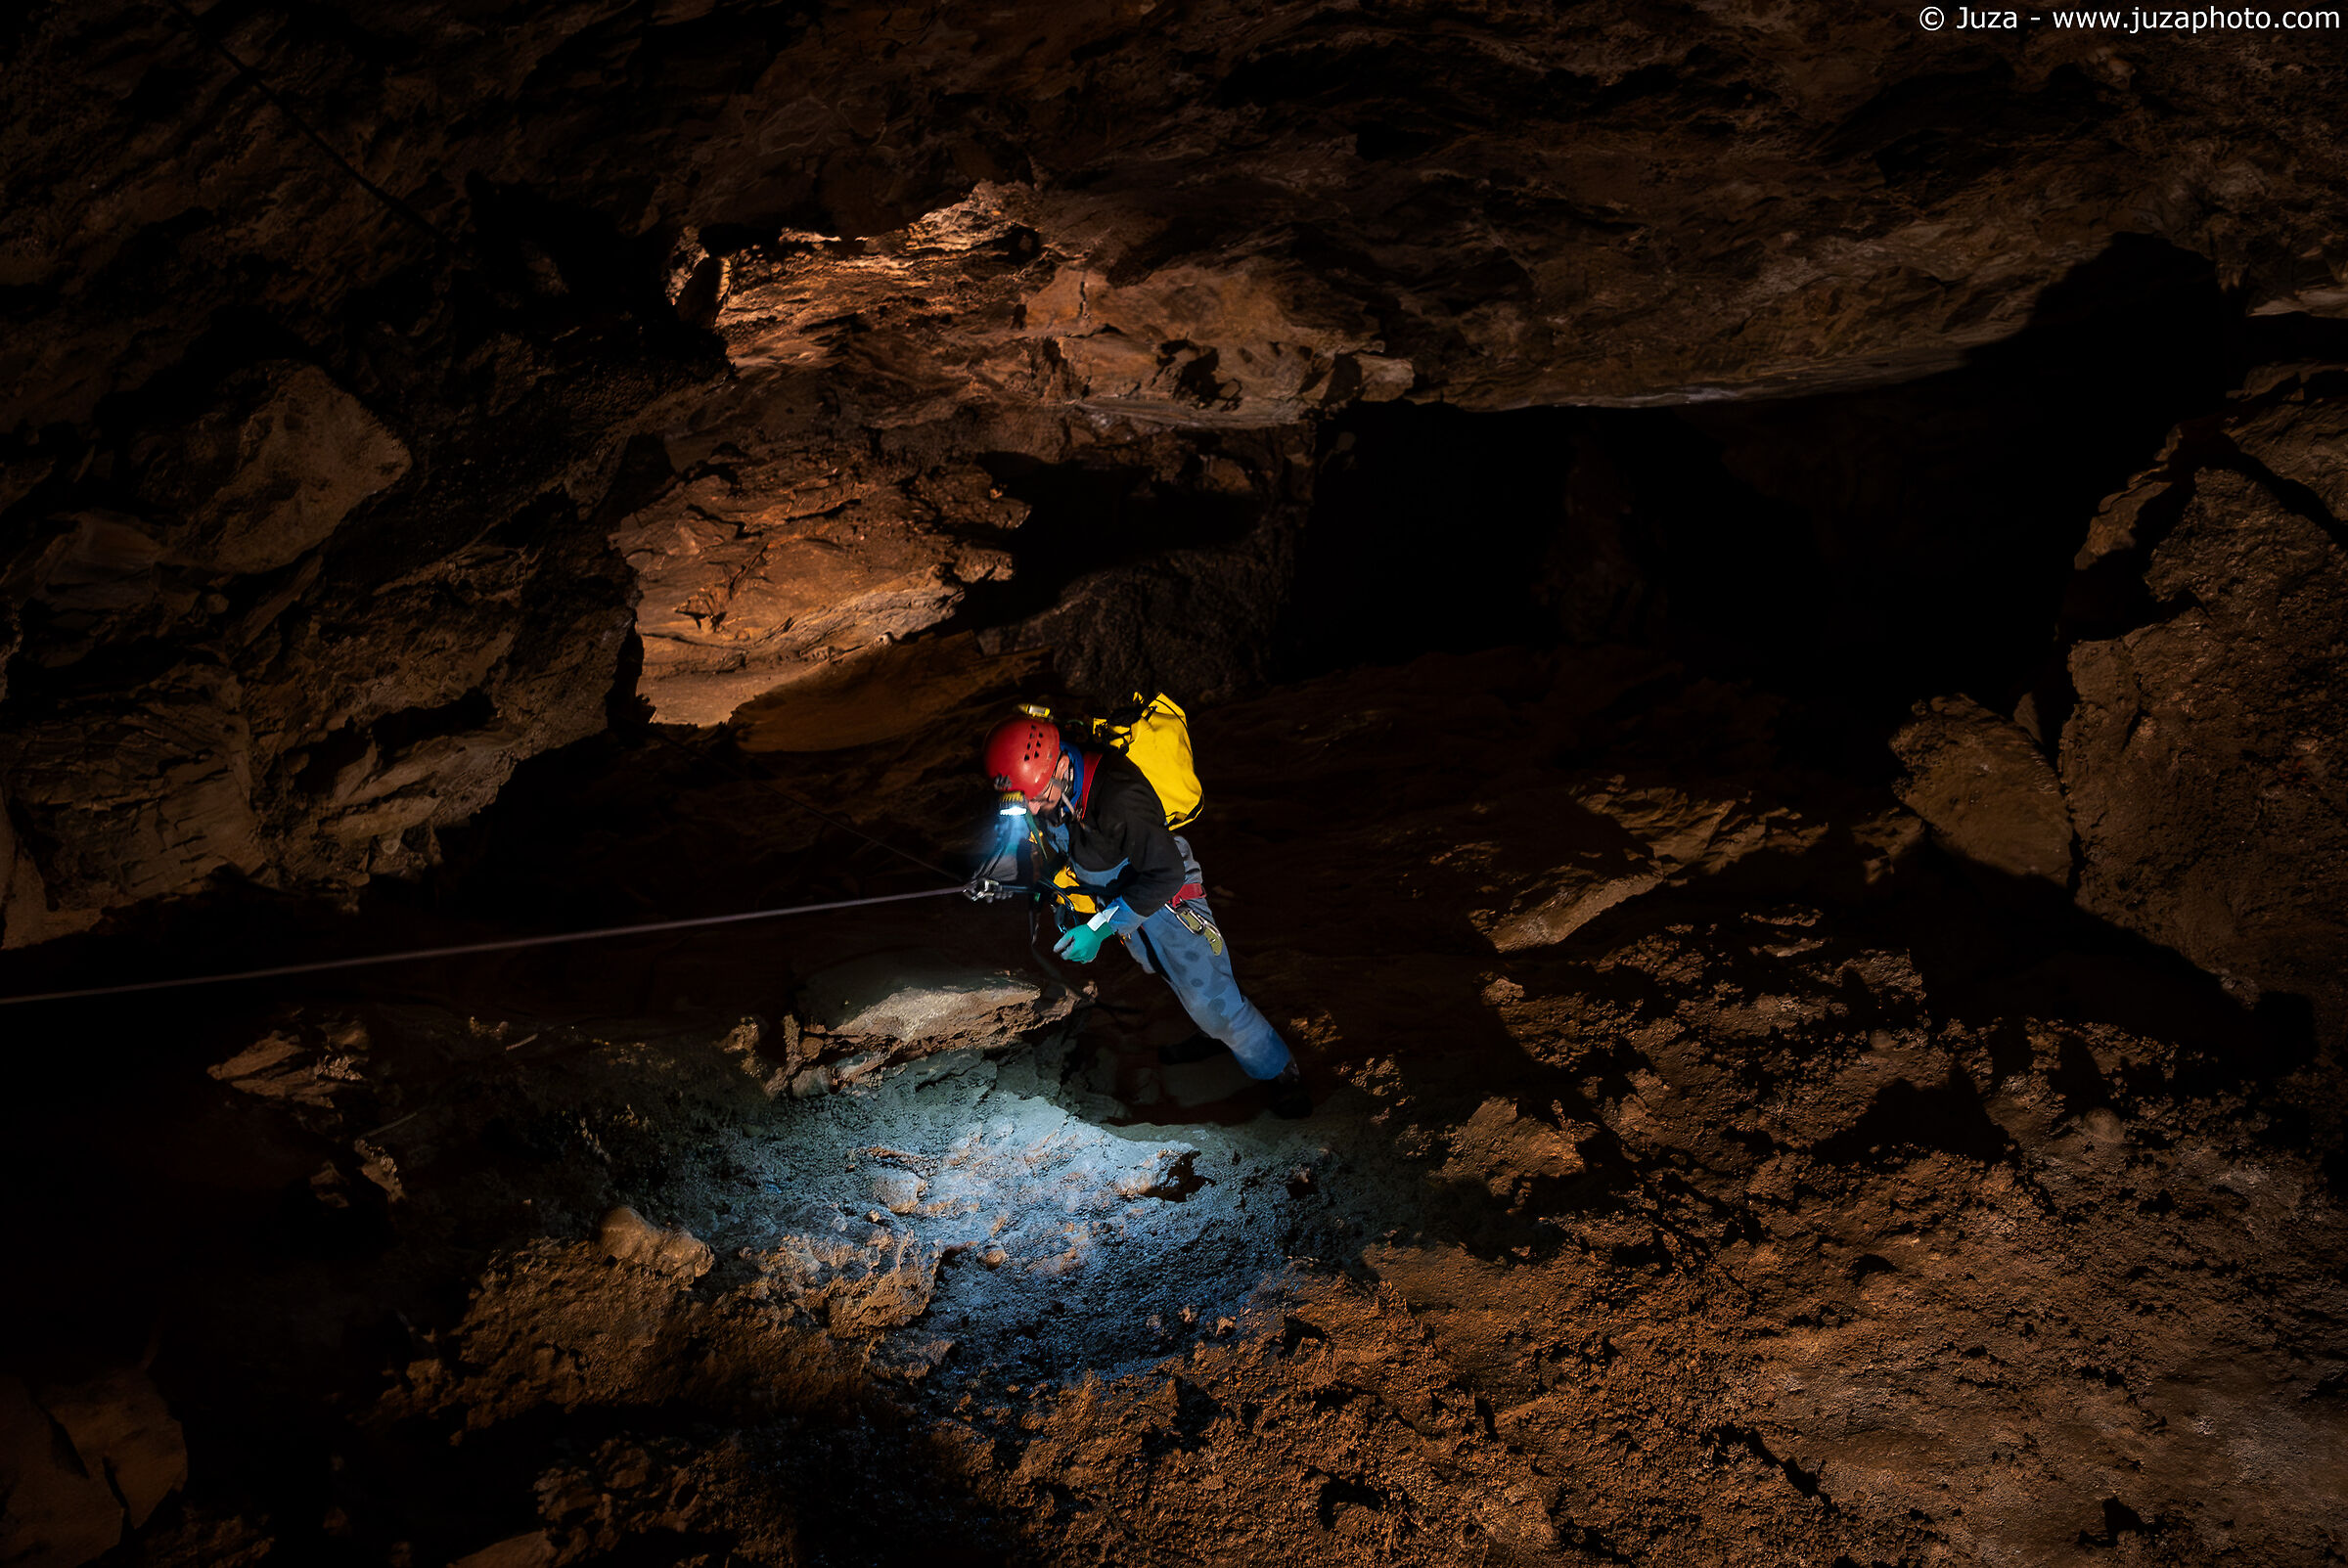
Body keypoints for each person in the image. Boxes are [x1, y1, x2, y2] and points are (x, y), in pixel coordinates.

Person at [975, 712, 1307, 1117]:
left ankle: (1280, 1072)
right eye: (1022, 801)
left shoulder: (1119, 797)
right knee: (1170, 974)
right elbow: (1031, 841)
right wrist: (997, 877)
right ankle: (1213, 1031)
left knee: (1214, 1000)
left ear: (1062, 765)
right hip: (1119, 890)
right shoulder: (1044, 784)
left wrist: (1100, 929)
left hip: (1166, 894)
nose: (1033, 808)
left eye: (1038, 798)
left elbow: (1166, 873)